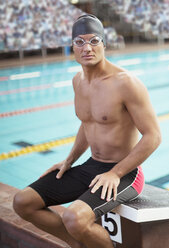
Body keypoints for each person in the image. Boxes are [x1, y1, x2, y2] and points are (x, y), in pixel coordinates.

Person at [13, 14, 161, 248]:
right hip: (91, 166)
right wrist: (69, 160)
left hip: (125, 174)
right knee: (23, 202)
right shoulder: (78, 81)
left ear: (104, 44)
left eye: (93, 40)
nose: (87, 48)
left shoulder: (126, 83)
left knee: (75, 218)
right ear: (72, 47)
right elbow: (88, 122)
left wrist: (115, 173)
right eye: (80, 42)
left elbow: (153, 136)